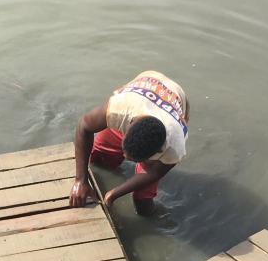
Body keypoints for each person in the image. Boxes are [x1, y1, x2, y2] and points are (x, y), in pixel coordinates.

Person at [69, 71, 190, 216]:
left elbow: (154, 172)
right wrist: (80, 180)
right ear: (128, 125)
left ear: (157, 152)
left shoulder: (175, 147)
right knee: (99, 157)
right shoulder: (120, 108)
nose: (125, 157)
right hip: (146, 84)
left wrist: (114, 193)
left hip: (176, 99)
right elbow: (83, 126)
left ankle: (150, 218)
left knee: (142, 198)